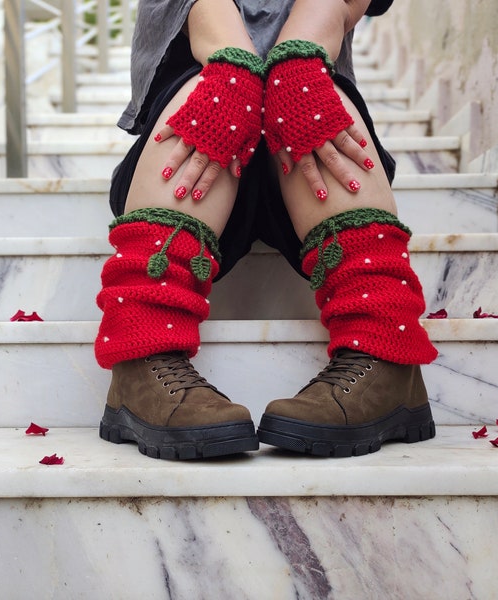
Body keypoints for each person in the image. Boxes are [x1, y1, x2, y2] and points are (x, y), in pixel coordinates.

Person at [94, 0, 438, 460]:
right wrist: (232, 73)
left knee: (306, 88)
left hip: (309, 148)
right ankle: (143, 356)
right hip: (195, 151)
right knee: (215, 87)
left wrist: (297, 61)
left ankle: (385, 354)